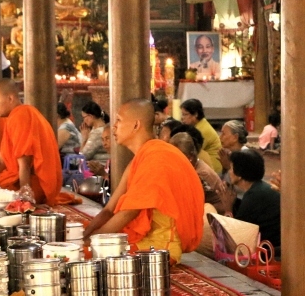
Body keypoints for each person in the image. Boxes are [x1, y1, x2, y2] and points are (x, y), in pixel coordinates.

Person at [85, 99, 204, 262]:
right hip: (143, 242)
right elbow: (109, 209)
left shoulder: (157, 158)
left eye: (119, 121)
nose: (113, 127)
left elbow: (128, 212)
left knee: (88, 257)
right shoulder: (141, 158)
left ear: (136, 125)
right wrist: (85, 237)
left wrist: (93, 243)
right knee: (79, 252)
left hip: (160, 248)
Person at [0, 79, 70, 204]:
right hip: (22, 177)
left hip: (37, 182)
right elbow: (0, 161)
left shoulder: (21, 116)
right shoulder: (14, 116)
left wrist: (25, 196)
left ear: (10, 98)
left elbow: (24, 163)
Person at [226, 149, 281, 250]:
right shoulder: (260, 188)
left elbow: (236, 234)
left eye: (231, 168)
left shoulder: (254, 195)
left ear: (239, 174)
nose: (229, 172)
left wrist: (227, 207)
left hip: (269, 252)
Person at [170, 133, 231, 215]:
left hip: (215, 217)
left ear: (190, 157)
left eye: (176, 156)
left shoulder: (201, 174)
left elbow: (189, 203)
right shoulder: (193, 167)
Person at [180, 99, 224, 174]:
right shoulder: (199, 125)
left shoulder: (203, 130)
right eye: (182, 114)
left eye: (185, 114)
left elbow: (189, 151)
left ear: (195, 114)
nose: (182, 118)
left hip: (213, 170)